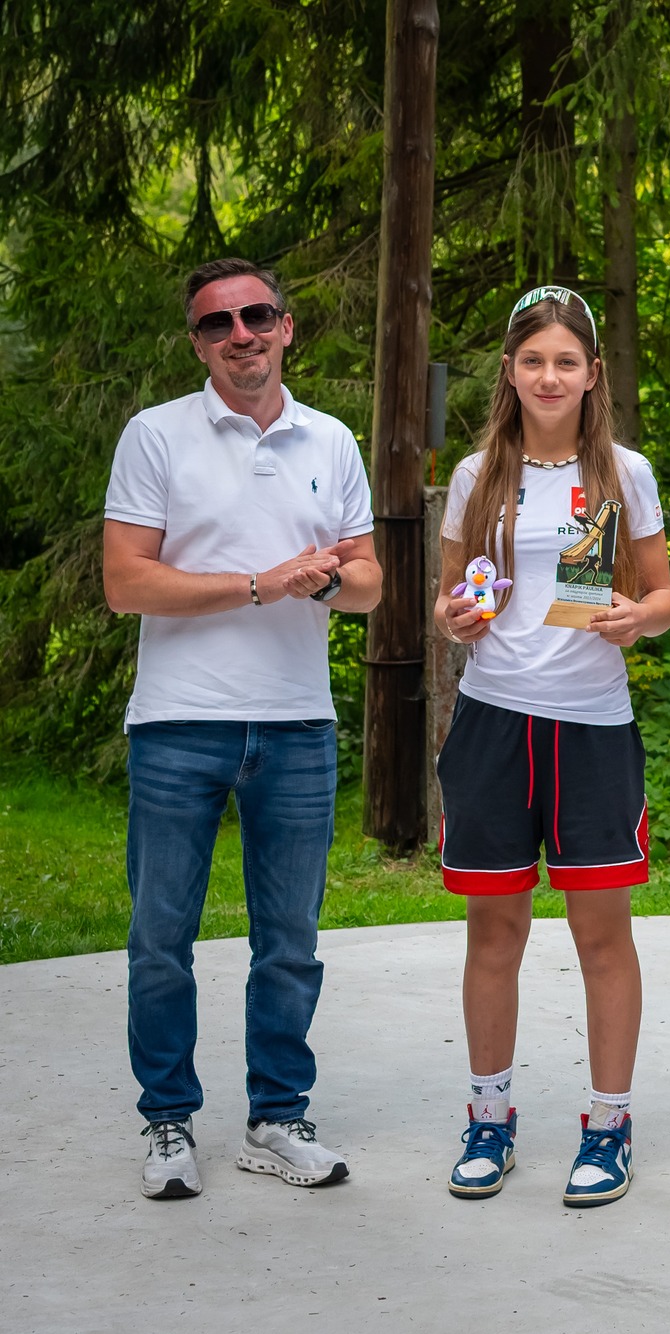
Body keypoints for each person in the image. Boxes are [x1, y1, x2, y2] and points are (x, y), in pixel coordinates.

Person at [104, 257, 384, 1199]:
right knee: (160, 939)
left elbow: (368, 583)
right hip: (179, 722)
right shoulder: (156, 435)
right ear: (197, 344)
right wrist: (263, 583)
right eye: (217, 323)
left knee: (290, 942)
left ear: (286, 327)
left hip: (298, 724)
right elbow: (126, 581)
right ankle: (168, 1122)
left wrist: (327, 578)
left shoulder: (330, 439)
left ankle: (277, 1118)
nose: (241, 335)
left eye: (257, 316)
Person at [434, 285, 670, 1207]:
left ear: (592, 373)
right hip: (494, 722)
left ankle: (608, 1126)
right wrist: (456, 618)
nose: (548, 376)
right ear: (509, 371)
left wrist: (634, 618)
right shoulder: (476, 475)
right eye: (532, 360)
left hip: (593, 728)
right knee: (494, 931)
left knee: (600, 934)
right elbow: (453, 602)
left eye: (565, 361)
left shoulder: (625, 472)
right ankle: (489, 1119)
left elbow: (661, 599)